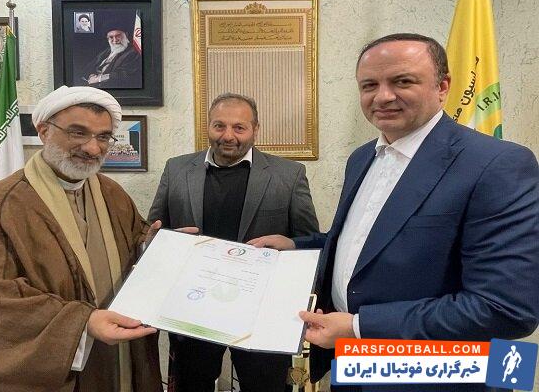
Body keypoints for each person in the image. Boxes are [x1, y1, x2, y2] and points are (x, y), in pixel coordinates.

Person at [249, 33, 539, 392]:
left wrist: (359, 327)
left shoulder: (497, 164)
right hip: (352, 366)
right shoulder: (361, 158)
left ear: (443, 87)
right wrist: (296, 246)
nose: (383, 96)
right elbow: (369, 245)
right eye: (369, 85)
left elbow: (505, 308)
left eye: (402, 81)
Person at [0, 86, 163, 392]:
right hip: (53, 371)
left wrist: (155, 246)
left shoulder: (112, 194)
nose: (92, 148)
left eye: (103, 137)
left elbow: (132, 243)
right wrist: (83, 323)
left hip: (113, 359)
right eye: (78, 133)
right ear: (44, 131)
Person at [149, 92, 320, 392]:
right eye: (219, 126)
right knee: (191, 386)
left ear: (255, 129)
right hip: (192, 311)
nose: (228, 135)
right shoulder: (176, 169)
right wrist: (161, 241)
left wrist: (290, 246)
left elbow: (309, 245)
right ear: (208, 127)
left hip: (262, 316)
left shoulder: (289, 174)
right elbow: (154, 231)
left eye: (239, 127)